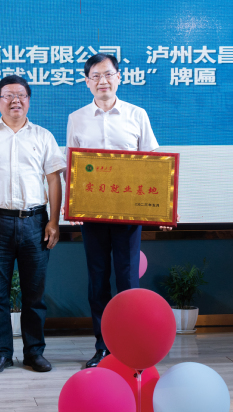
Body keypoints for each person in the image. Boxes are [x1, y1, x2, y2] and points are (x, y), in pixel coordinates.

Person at [66, 53, 172, 368]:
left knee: (127, 281)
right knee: (97, 281)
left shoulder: (137, 115)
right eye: (95, 76)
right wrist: (74, 206)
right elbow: (73, 167)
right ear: (87, 82)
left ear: (119, 77)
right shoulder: (77, 118)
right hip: (92, 215)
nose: (103, 81)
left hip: (128, 215)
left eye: (108, 74)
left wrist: (164, 209)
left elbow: (153, 166)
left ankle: (129, 348)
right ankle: (103, 347)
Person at [0, 75, 66, 374]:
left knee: (35, 294)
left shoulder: (43, 136)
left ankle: (34, 352)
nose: (15, 101)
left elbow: (54, 181)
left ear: (29, 101)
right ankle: (1, 354)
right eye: (8, 95)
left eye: (21, 95)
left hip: (36, 222)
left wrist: (54, 221)